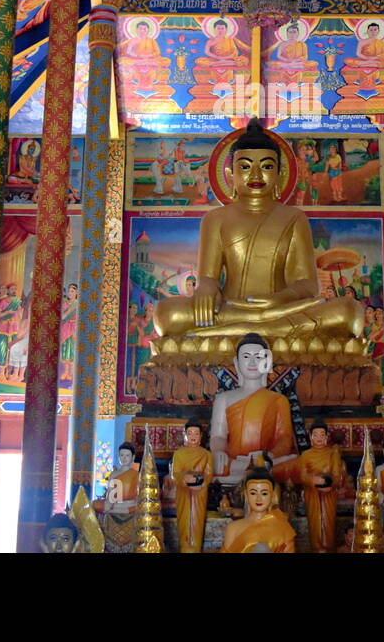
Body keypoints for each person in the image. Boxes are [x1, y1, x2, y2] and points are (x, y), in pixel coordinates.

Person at [151, 120, 363, 345]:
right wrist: (206, 288)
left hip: (281, 309)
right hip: (231, 309)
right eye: (244, 167)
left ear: (279, 174)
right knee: (166, 314)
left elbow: (307, 285)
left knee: (349, 312)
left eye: (266, 166)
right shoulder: (215, 219)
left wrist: (277, 301)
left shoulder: (294, 218)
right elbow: (209, 278)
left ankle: (250, 328)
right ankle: (266, 328)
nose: (255, 174)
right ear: (230, 174)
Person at [208, 334, 298, 486]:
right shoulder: (223, 398)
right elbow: (218, 437)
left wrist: (270, 455)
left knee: (296, 463)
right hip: (234, 463)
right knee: (209, 461)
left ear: (267, 362)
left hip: (268, 461)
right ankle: (255, 472)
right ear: (236, 363)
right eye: (246, 356)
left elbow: (285, 439)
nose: (251, 362)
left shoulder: (279, 400)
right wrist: (219, 453)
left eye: (258, 357)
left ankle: (257, 470)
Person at [221, 467, 296, 552]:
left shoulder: (282, 528)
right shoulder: (233, 528)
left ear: (272, 495)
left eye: (264, 493)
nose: (258, 499)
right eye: (253, 493)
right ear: (246, 494)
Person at [299, 421, 344, 552]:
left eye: (322, 435)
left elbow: (337, 476)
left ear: (326, 437)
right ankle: (317, 548)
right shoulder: (305, 455)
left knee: (327, 524)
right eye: (316, 435)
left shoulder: (332, 453)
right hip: (312, 494)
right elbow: (302, 476)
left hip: (329, 494)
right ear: (310, 437)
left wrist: (330, 485)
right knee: (315, 524)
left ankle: (328, 549)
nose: (319, 438)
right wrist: (313, 480)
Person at [171, 419, 214, 552]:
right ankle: (184, 547)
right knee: (184, 521)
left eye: (196, 433)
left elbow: (209, 474)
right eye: (190, 433)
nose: (193, 436)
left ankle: (195, 547)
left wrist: (202, 483)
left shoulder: (207, 455)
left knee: (196, 521)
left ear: (201, 436)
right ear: (185, 435)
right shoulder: (178, 454)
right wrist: (185, 479)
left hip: (199, 493)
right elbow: (175, 474)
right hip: (183, 493)